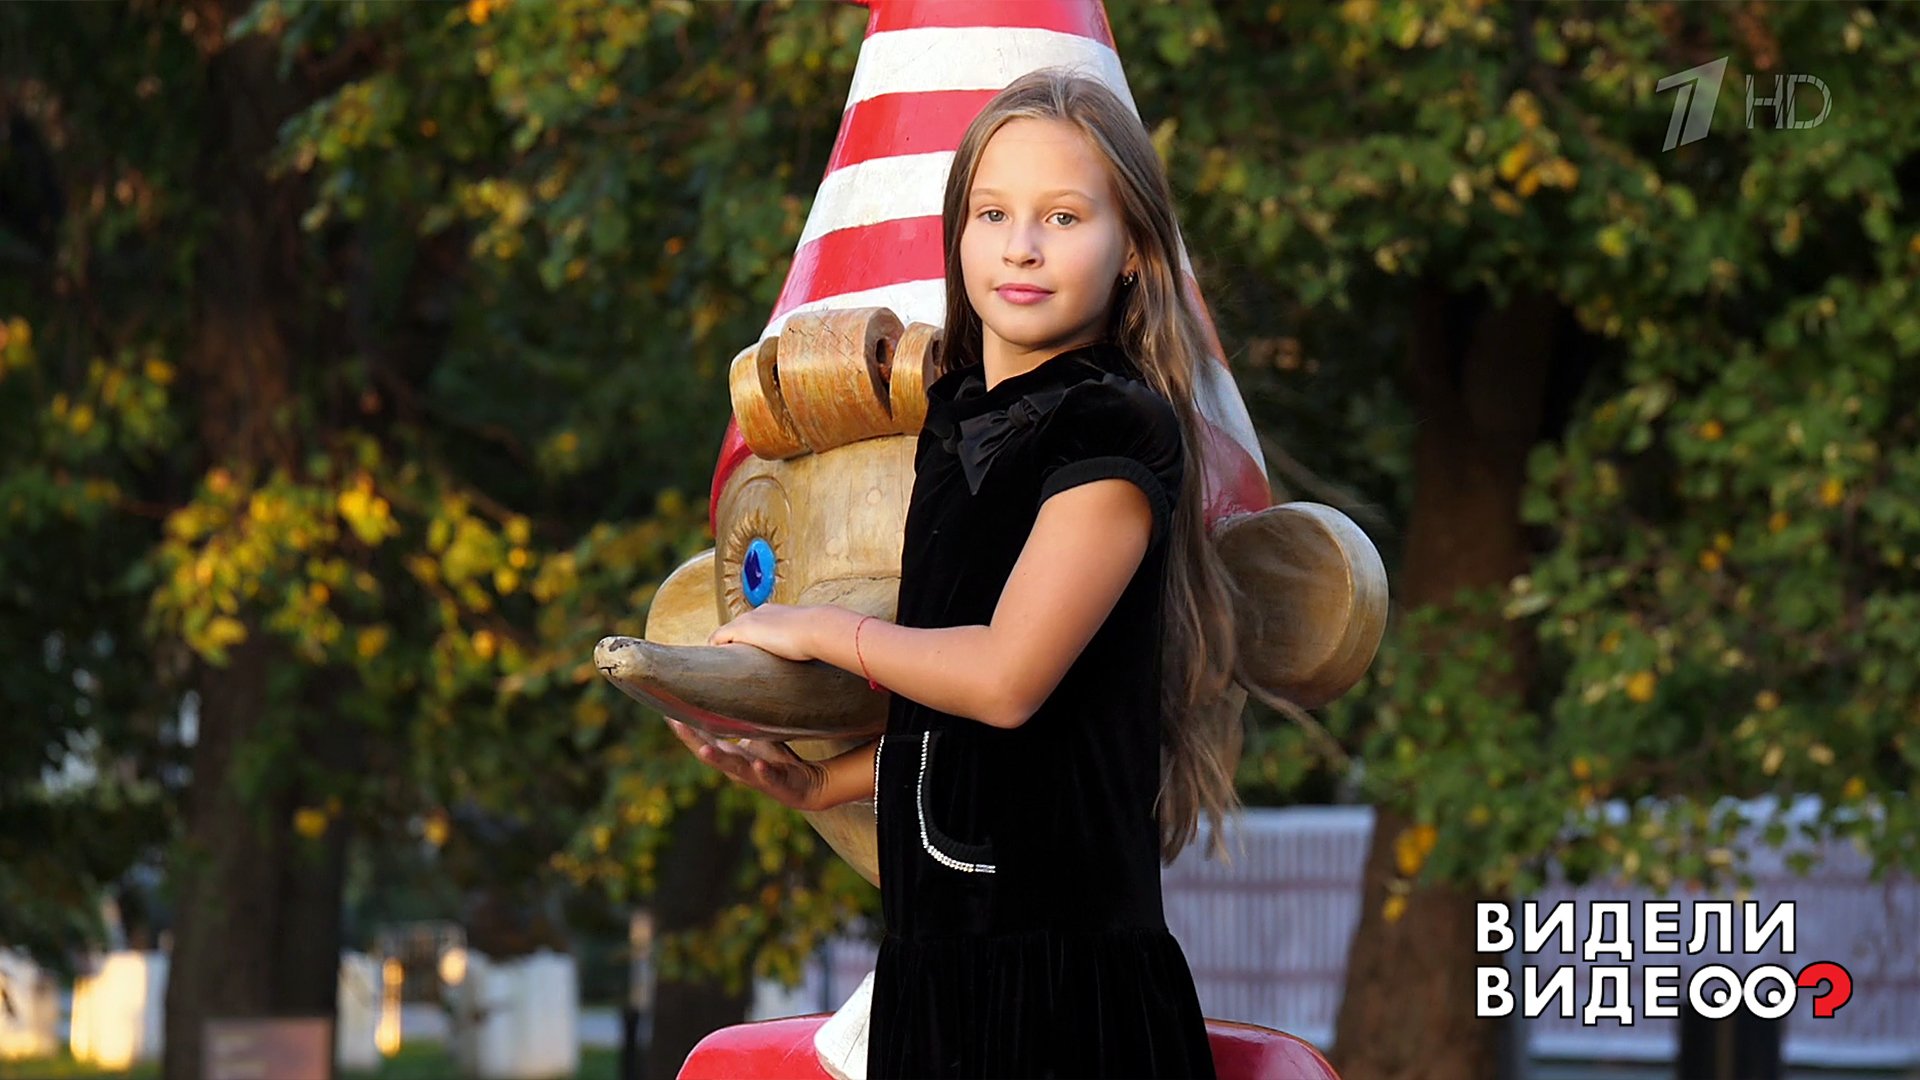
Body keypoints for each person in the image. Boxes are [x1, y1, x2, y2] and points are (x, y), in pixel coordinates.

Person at [668, 69, 1241, 1078]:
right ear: (958, 232)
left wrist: (815, 629)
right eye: (992, 212)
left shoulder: (1114, 428)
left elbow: (1006, 682)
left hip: (1065, 991)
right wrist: (823, 782)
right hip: (938, 973)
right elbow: (967, 742)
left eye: (1063, 216)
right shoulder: (957, 420)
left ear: (1134, 257)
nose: (1021, 243)